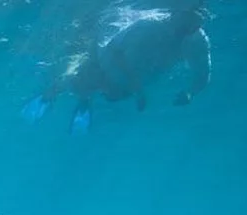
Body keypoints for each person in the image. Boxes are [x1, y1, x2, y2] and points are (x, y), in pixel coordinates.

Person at [22, 1, 212, 135]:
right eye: (188, 15)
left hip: (130, 83)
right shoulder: (148, 26)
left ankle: (84, 102)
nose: (192, 23)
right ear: (176, 13)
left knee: (107, 93)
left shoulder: (198, 42)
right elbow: (114, 52)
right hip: (105, 64)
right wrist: (137, 88)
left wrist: (190, 92)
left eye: (198, 16)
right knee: (80, 82)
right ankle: (53, 94)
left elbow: (203, 74)